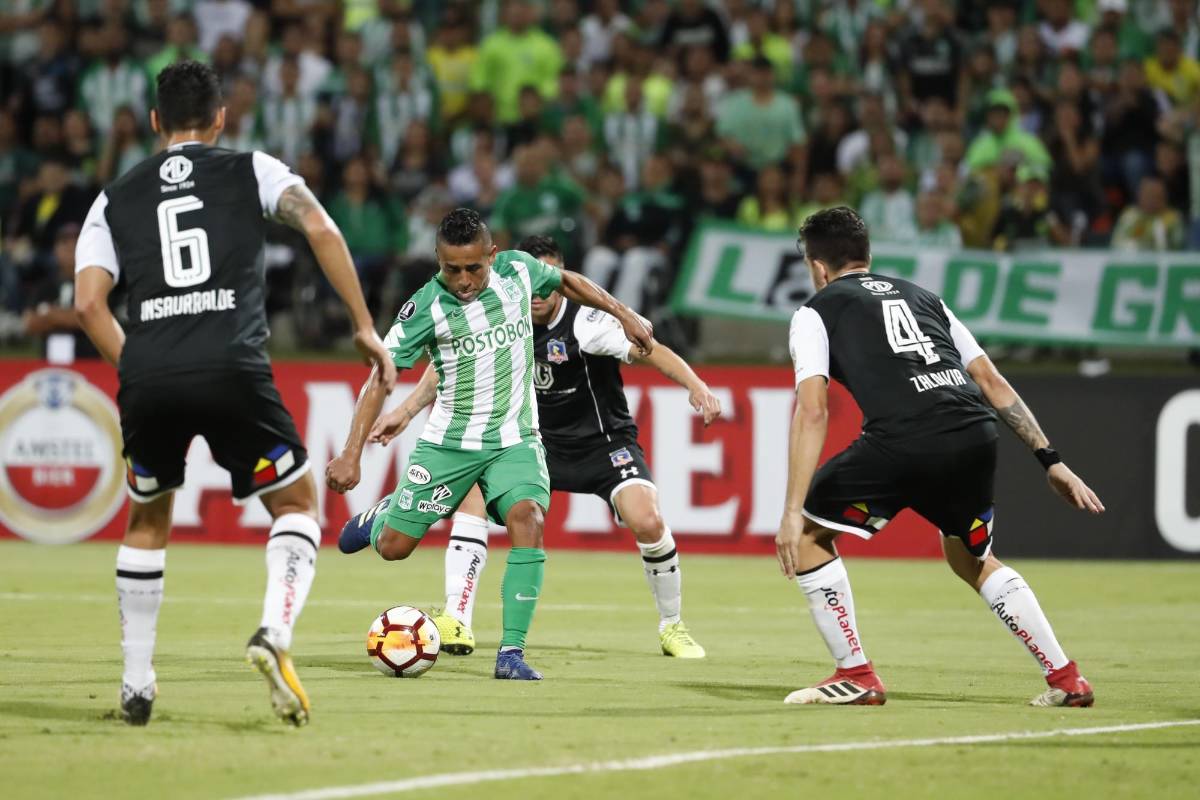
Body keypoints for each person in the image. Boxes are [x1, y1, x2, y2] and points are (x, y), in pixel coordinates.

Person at [73, 61, 395, 727]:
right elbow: (321, 228)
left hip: (151, 371)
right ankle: (275, 630)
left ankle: (137, 685)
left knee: (147, 519)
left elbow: (86, 305)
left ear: (156, 122)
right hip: (232, 365)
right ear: (221, 118)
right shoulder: (253, 170)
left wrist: (137, 367)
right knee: (297, 501)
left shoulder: (113, 197)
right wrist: (364, 327)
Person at [776, 207, 1104, 707]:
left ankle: (856, 674)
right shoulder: (925, 298)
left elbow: (813, 411)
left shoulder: (814, 312)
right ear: (867, 255)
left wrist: (790, 510)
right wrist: (1050, 460)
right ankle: (1065, 678)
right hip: (973, 432)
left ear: (818, 267)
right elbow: (991, 382)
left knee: (807, 535)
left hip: (904, 436)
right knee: (970, 555)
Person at [349, 234, 719, 658]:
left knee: (648, 521)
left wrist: (695, 385)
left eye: (545, 284)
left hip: (600, 444)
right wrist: (409, 410)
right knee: (469, 498)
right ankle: (458, 617)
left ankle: (672, 626)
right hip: (528, 441)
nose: (537, 294)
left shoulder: (585, 323)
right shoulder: (495, 305)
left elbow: (649, 350)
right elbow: (445, 365)